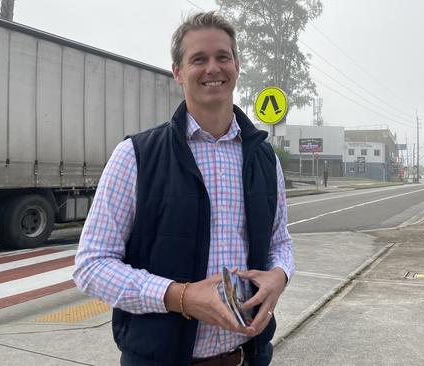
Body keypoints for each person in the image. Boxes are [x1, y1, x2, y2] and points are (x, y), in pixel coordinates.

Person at [73, 11, 294, 366]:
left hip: (248, 357)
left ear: (236, 66)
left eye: (223, 57)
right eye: (198, 59)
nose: (213, 68)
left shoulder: (265, 160)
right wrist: (181, 297)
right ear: (177, 72)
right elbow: (91, 265)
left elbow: (279, 240)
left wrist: (279, 276)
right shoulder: (136, 156)